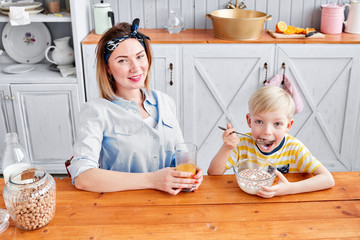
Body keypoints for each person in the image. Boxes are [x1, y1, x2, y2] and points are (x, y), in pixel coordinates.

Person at [67, 19, 203, 195]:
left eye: (140, 56)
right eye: (123, 61)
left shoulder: (165, 101)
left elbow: (181, 157)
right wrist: (152, 180)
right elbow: (83, 177)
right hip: (122, 210)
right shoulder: (96, 111)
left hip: (170, 206)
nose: (136, 68)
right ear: (108, 68)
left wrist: (190, 173)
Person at [208, 86, 334, 198]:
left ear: (288, 125)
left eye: (277, 124)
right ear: (249, 121)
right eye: (259, 122)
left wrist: (289, 189)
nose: (267, 131)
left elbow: (328, 180)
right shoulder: (243, 144)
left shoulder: (294, 148)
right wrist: (227, 147)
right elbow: (213, 173)